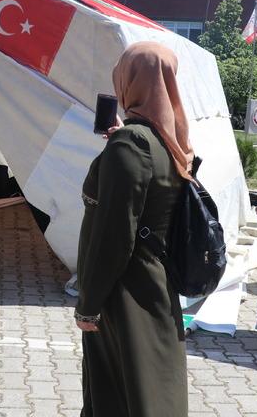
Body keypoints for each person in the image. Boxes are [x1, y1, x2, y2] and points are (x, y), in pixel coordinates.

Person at [75, 42, 194, 416]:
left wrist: (89, 305)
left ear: (130, 81)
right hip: (156, 284)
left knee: (117, 393)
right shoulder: (170, 143)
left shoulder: (133, 143)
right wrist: (121, 142)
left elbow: (114, 236)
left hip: (124, 291)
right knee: (152, 386)